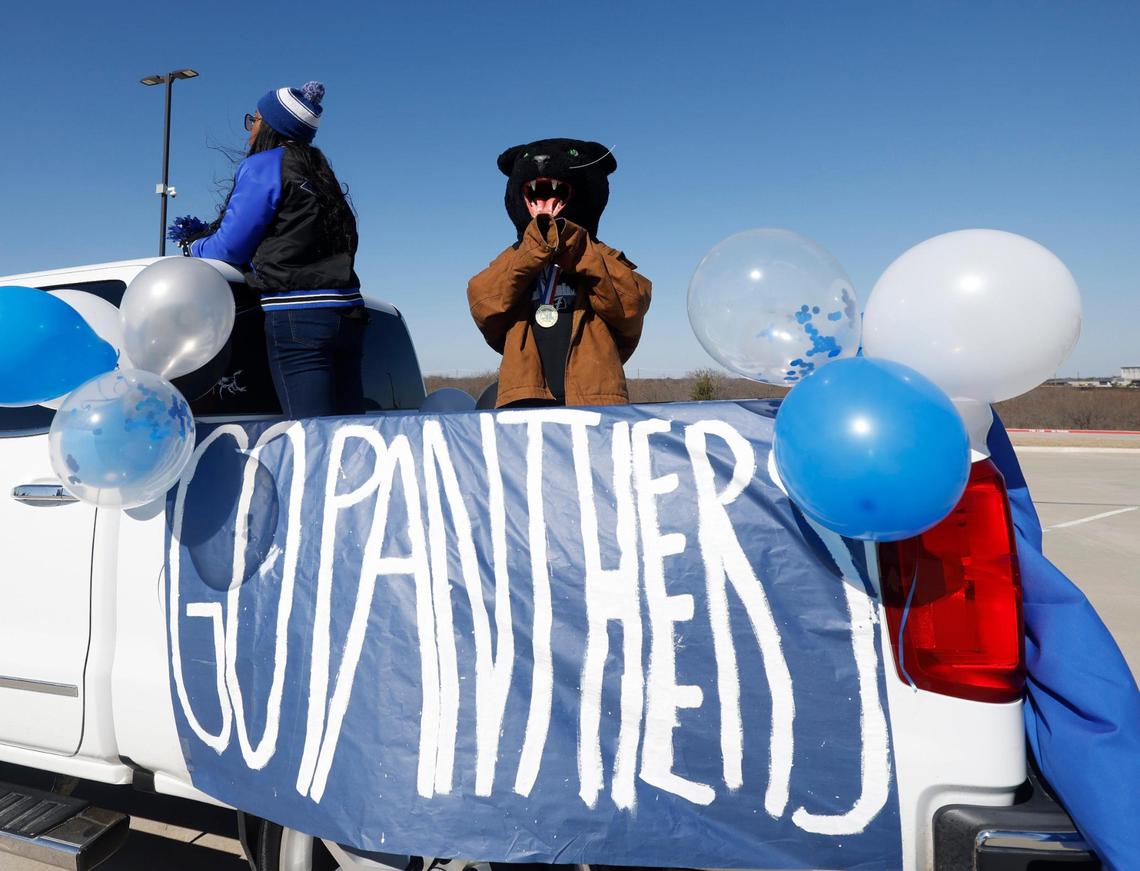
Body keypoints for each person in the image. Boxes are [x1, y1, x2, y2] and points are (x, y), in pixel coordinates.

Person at [188, 81, 366, 418]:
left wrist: (193, 245)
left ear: (271, 125)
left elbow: (226, 249)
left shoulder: (266, 165)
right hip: (348, 315)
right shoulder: (320, 170)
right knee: (349, 436)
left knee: (311, 439)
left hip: (298, 316)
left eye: (253, 120)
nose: (250, 128)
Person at [467, 138, 651, 408]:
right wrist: (535, 245)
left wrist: (572, 243)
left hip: (594, 399)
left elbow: (631, 306)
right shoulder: (513, 258)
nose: (540, 162)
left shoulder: (602, 256)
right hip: (524, 398)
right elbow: (484, 306)